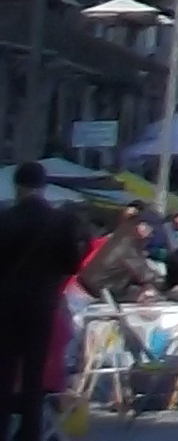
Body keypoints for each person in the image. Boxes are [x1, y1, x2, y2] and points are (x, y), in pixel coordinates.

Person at [0, 163, 90, 441]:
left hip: (6, 304)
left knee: (4, 371)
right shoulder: (60, 221)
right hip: (42, 304)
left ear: (17, 186)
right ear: (43, 186)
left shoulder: (4, 219)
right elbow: (73, 264)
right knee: (34, 373)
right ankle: (30, 432)